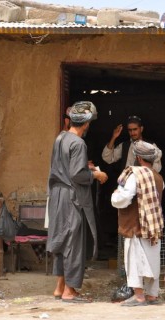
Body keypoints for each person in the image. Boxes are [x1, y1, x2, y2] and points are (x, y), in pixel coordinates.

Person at [47, 101, 108, 303]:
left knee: (63, 240)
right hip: (72, 197)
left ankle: (59, 287)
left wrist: (86, 169)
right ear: (86, 123)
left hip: (57, 195)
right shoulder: (79, 143)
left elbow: (65, 167)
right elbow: (76, 174)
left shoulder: (61, 138)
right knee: (74, 242)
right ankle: (69, 291)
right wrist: (96, 176)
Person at [111, 141, 164, 306]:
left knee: (134, 261)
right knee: (152, 260)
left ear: (138, 157)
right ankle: (152, 295)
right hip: (153, 228)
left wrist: (115, 196)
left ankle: (139, 296)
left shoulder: (135, 175)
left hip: (136, 225)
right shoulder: (158, 176)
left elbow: (125, 198)